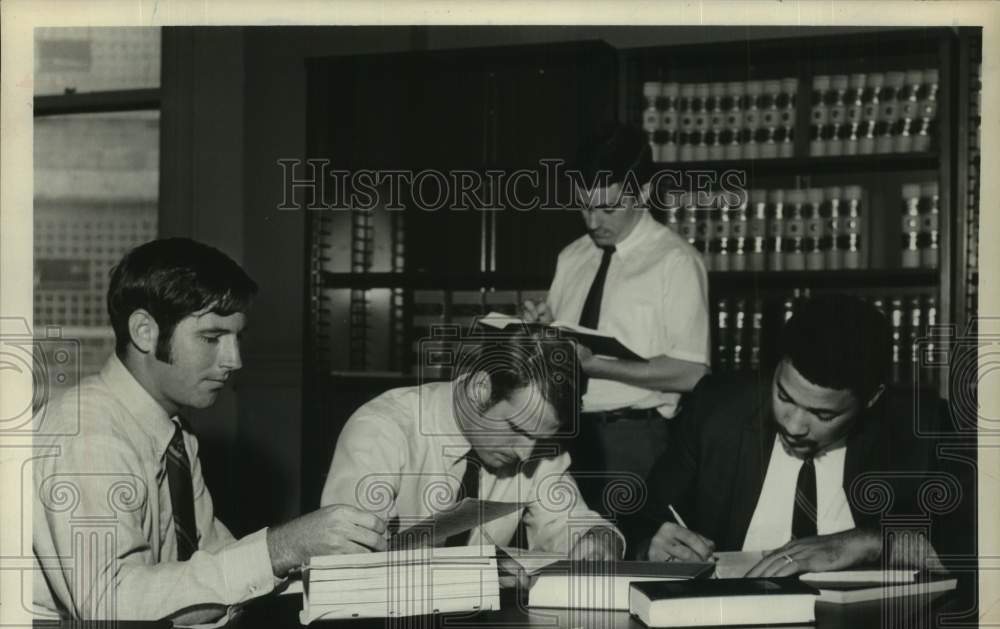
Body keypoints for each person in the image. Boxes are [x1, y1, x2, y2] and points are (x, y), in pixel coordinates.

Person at [33, 238, 386, 627]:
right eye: (211, 338)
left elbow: (216, 560)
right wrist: (283, 548)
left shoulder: (172, 433)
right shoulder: (88, 436)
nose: (234, 360)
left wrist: (318, 561)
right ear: (145, 332)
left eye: (238, 338)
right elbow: (110, 606)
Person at [631, 294, 974, 576]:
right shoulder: (717, 410)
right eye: (784, 397)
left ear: (871, 400)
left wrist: (872, 543)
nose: (794, 425)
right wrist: (651, 545)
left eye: (823, 415)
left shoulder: (923, 427)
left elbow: (975, 549)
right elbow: (643, 521)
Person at [523, 122, 710, 521]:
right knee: (562, 554)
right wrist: (544, 329)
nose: (593, 221)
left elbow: (692, 372)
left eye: (608, 208)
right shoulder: (571, 256)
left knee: (625, 559)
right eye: (584, 205)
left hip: (634, 442)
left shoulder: (675, 263)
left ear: (642, 193)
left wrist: (597, 366)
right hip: (561, 435)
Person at [320, 331, 623, 560]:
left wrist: (599, 541)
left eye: (540, 440)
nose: (525, 453)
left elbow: (570, 524)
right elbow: (348, 565)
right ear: (481, 389)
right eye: (516, 429)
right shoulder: (383, 429)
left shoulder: (534, 443)